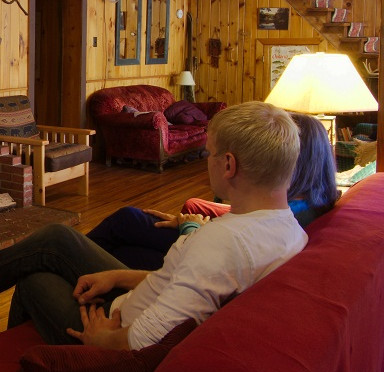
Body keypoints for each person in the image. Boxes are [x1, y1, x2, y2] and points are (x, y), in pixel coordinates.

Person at [0, 101, 307, 351]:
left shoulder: (222, 241)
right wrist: (119, 275)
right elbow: (188, 282)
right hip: (132, 298)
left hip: (115, 330)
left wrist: (104, 341)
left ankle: (26, 367)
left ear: (230, 165)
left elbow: (150, 342)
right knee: (57, 238)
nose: (207, 158)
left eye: (211, 152)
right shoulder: (288, 230)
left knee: (35, 276)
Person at [86, 112, 338, 270]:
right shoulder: (312, 201)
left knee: (126, 221)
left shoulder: (290, 213)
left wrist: (191, 227)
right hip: (204, 244)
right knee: (124, 247)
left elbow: (235, 243)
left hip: (205, 254)